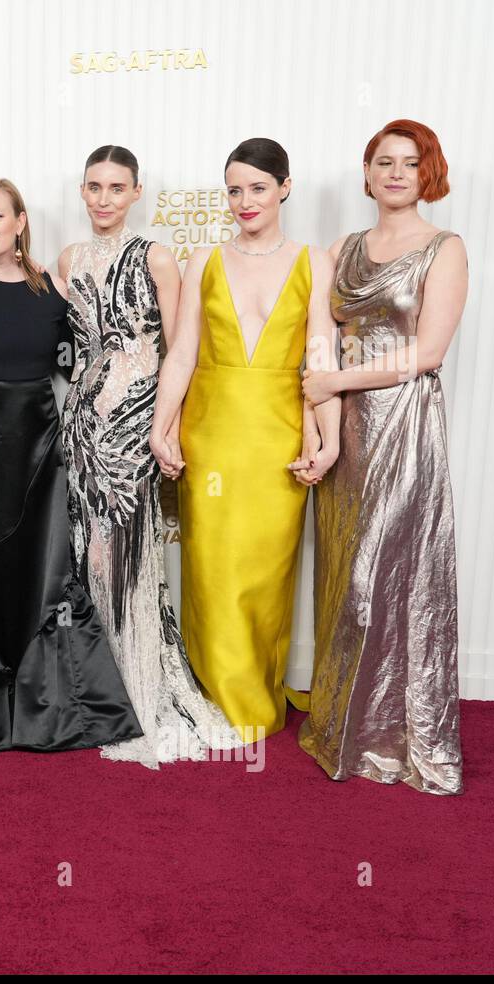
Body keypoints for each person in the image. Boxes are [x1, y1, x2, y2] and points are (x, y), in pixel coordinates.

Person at [0, 178, 141, 752]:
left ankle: (51, 699)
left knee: (43, 569)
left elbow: (84, 363)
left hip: (40, 443)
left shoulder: (51, 293)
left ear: (21, 221)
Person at [298, 119, 468, 795]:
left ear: (428, 173)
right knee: (344, 570)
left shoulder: (444, 248)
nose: (395, 173)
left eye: (409, 162)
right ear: (366, 174)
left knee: (387, 575)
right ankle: (345, 727)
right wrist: (322, 427)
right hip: (348, 432)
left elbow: (427, 355)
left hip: (404, 426)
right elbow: (320, 342)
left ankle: (397, 737)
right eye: (383, 162)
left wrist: (334, 381)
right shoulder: (341, 248)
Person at [149, 138, 339, 743]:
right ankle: (219, 700)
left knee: (265, 573)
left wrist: (327, 437)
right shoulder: (204, 257)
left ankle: (257, 693)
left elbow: (320, 357)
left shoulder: (314, 259)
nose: (245, 201)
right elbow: (182, 353)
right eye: (234, 189)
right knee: (213, 572)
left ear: (285, 187)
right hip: (213, 432)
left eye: (258, 187)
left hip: (278, 434)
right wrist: (163, 427)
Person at [58, 145, 242, 768]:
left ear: (137, 192)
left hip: (137, 422)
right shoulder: (68, 260)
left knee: (128, 550)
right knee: (87, 546)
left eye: (116, 187)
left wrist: (170, 427)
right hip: (82, 420)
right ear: (81, 191)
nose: (103, 198)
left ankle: (139, 685)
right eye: (93, 186)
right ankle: (91, 687)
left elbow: (179, 349)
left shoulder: (157, 256)